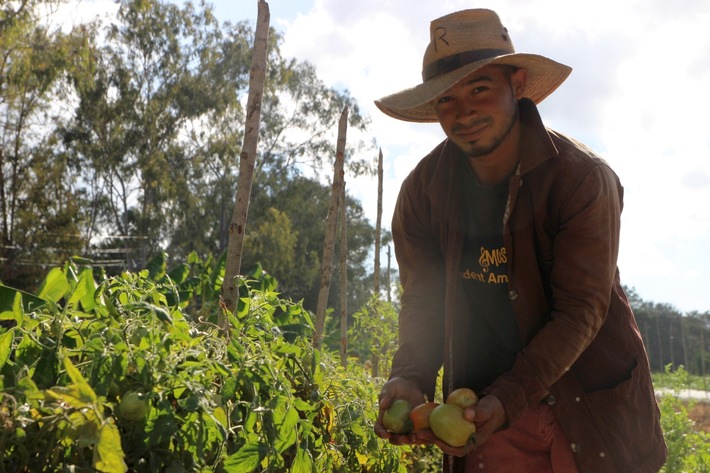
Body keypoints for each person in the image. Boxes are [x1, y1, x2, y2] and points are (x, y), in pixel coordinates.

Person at [373, 8, 667, 473]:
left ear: (517, 84)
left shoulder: (581, 180)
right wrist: (410, 376)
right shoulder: (422, 193)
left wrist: (510, 397)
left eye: (479, 89)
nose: (464, 111)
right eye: (447, 100)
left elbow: (581, 311)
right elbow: (423, 301)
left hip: (587, 412)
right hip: (485, 414)